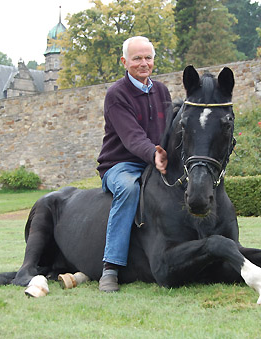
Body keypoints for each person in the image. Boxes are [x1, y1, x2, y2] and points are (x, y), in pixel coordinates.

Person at [96, 36, 171, 292]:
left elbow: (169, 131)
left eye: (148, 57)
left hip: (154, 161)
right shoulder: (116, 94)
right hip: (120, 165)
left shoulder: (161, 91)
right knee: (128, 189)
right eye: (137, 58)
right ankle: (110, 268)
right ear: (124, 61)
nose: (143, 63)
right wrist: (154, 155)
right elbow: (132, 138)